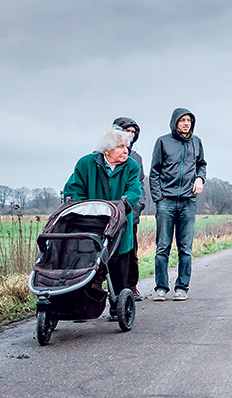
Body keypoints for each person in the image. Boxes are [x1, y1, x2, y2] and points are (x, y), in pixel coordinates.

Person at [62, 127, 143, 315]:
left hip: (120, 223)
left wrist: (125, 204)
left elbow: (134, 191)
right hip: (91, 224)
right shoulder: (86, 164)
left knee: (119, 265)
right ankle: (85, 305)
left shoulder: (131, 166)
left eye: (127, 146)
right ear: (106, 150)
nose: (126, 151)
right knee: (90, 264)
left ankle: (118, 305)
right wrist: (82, 207)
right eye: (120, 147)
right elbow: (73, 189)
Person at [149, 108, 207, 302]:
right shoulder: (163, 142)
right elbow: (154, 171)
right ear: (175, 122)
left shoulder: (196, 142)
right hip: (166, 201)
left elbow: (202, 165)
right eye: (182, 120)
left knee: (186, 248)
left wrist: (200, 178)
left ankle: (182, 287)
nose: (186, 123)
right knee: (162, 247)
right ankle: (161, 287)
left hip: (188, 202)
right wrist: (158, 198)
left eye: (189, 120)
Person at [113, 117, 146, 301]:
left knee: (130, 251)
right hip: (108, 213)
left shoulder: (136, 160)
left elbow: (139, 187)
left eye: (134, 133)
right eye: (127, 131)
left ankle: (130, 286)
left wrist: (136, 208)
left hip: (129, 212)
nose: (131, 136)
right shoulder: (102, 155)